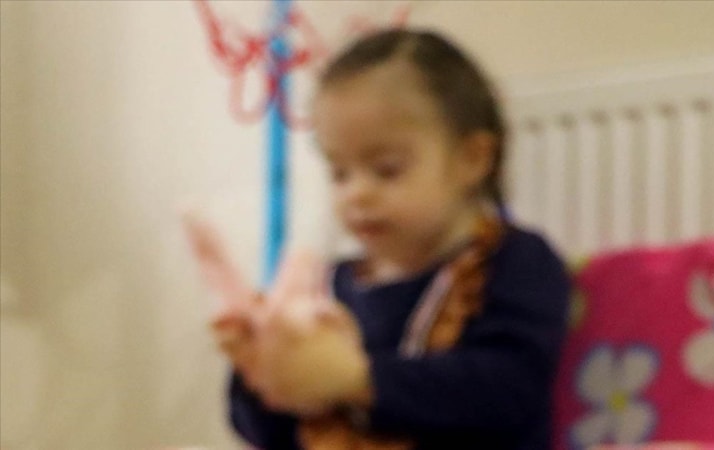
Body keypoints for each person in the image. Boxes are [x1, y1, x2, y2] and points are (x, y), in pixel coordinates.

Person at [187, 29, 570, 450]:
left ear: (472, 159)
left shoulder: (517, 261)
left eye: (386, 169)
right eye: (339, 173)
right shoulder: (328, 289)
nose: (356, 193)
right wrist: (261, 374)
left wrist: (357, 379)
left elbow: (511, 390)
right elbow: (274, 437)